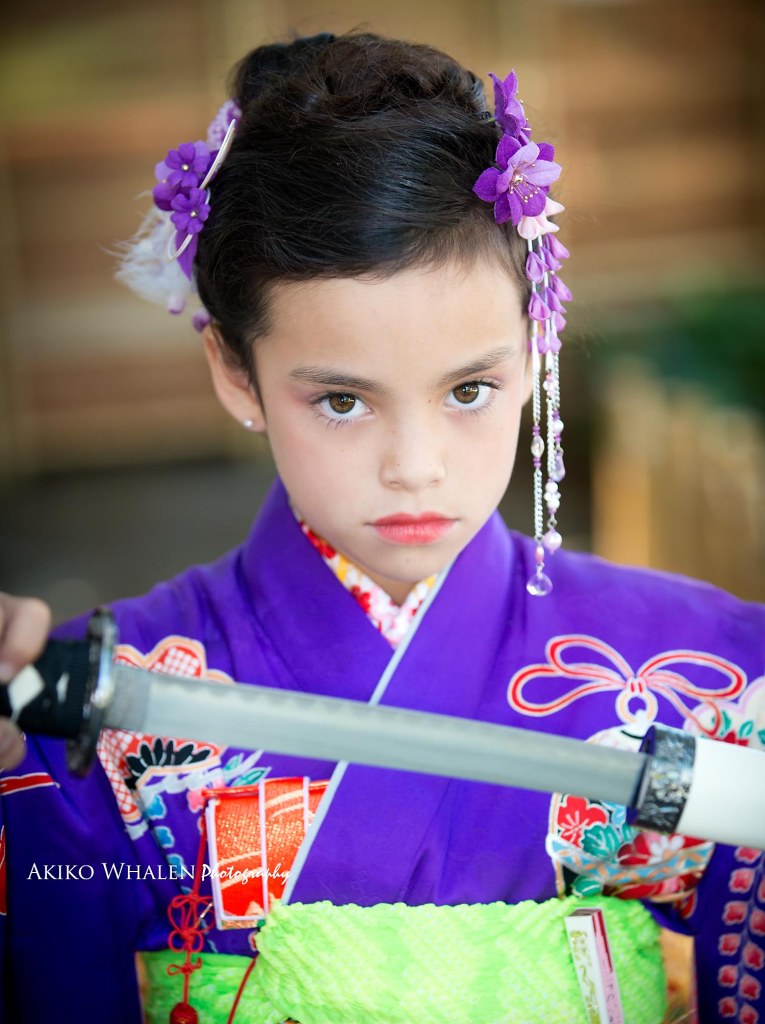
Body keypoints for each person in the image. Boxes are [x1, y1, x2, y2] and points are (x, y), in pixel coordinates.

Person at [1, 31, 763, 1024]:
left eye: (471, 388)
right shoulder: (97, 704)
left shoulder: (708, 671)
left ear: (538, 345)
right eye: (345, 403)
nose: (418, 464)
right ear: (236, 371)